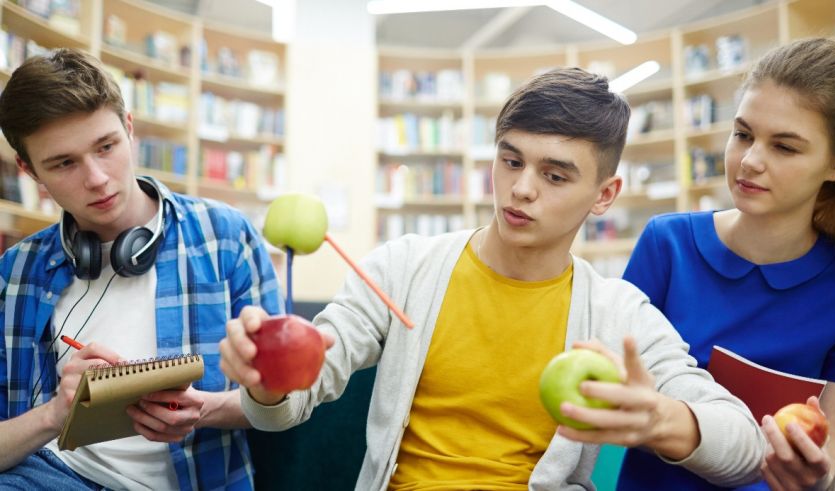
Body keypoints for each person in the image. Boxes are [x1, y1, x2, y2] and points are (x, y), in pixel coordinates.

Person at [220, 67, 768, 489]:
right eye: (510, 161)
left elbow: (745, 448)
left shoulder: (617, 311)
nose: (522, 189)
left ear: (605, 195)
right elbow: (284, 411)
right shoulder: (403, 268)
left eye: (554, 175)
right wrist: (266, 379)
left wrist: (661, 420)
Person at [0, 49, 280, 490]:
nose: (96, 178)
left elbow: (286, 401)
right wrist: (55, 413)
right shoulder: (15, 273)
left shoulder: (225, 237)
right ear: (28, 170)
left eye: (106, 147)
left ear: (129, 129)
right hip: (55, 476)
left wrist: (204, 408)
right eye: (64, 163)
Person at [617, 37, 835, 491]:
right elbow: (617, 402)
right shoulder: (667, 246)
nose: (749, 161)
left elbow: (824, 461)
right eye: (743, 134)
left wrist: (809, 477)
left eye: (785, 147)